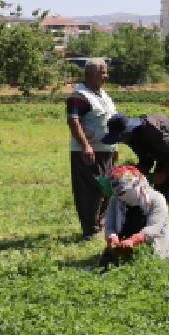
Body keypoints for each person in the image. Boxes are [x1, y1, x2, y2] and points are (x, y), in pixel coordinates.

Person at [103, 112, 169, 235]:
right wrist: (133, 172)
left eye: (120, 138)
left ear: (126, 132)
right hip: (166, 156)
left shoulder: (152, 130)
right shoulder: (132, 138)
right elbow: (146, 159)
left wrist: (164, 173)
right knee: (159, 197)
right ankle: (156, 235)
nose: (121, 142)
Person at [66, 60, 119, 239]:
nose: (106, 76)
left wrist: (114, 146)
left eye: (106, 72)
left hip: (106, 150)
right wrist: (85, 145)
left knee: (107, 188)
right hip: (88, 151)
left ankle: (99, 224)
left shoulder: (103, 95)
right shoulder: (79, 95)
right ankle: (89, 228)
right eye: (102, 73)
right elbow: (73, 121)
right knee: (90, 190)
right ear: (90, 74)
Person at [100, 165, 169, 267]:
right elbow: (110, 225)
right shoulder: (115, 199)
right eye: (117, 193)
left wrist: (133, 241)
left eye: (123, 192)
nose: (120, 195)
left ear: (135, 186)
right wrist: (112, 237)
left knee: (148, 264)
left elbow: (154, 228)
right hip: (126, 242)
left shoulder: (157, 199)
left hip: (153, 242)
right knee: (105, 263)